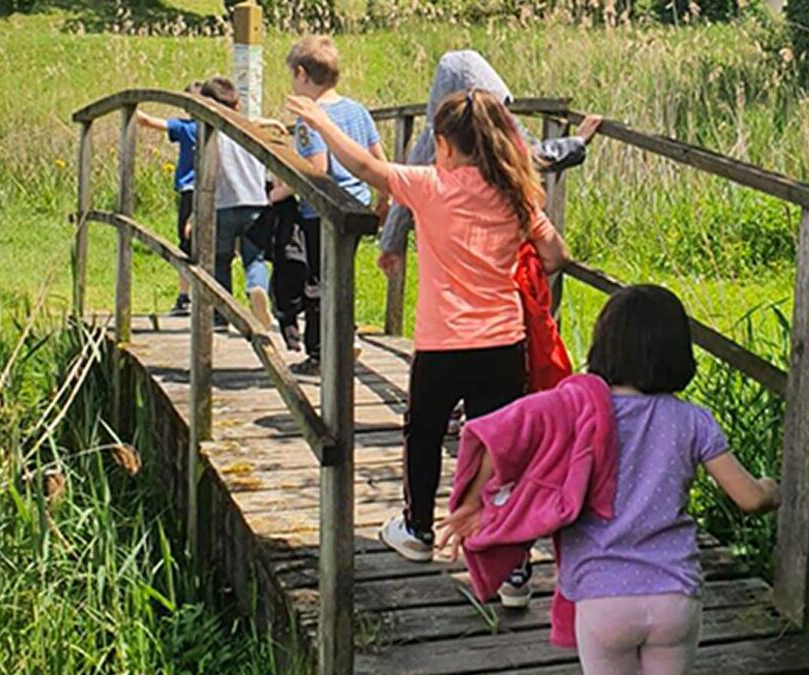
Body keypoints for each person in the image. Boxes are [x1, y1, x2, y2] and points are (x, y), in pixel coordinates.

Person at [285, 87, 568, 561]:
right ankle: (513, 562)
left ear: (444, 144)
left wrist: (322, 123)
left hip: (442, 344)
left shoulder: (430, 186)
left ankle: (417, 529)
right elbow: (557, 255)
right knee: (497, 446)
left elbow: (363, 168)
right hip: (503, 340)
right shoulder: (516, 195)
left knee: (424, 435)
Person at [440, 285, 781, 675]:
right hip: (675, 594)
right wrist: (774, 490)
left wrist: (472, 502)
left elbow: (498, 433)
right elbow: (750, 499)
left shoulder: (576, 409)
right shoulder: (692, 421)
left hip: (603, 597)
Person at [376, 49, 602, 277]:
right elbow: (534, 157)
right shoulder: (470, 134)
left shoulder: (439, 137)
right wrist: (576, 142)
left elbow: (403, 192)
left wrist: (391, 244)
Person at [269, 35, 387, 370]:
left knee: (318, 283)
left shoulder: (310, 118)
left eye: (293, 75)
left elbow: (316, 169)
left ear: (303, 74)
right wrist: (384, 197)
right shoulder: (356, 110)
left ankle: (322, 354)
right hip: (358, 204)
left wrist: (277, 194)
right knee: (341, 277)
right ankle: (346, 335)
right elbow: (377, 156)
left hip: (322, 211)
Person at [198, 76, 270, 329]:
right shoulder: (251, 131)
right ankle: (257, 288)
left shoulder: (210, 134)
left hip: (223, 205)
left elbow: (207, 174)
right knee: (255, 258)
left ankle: (222, 314)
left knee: (220, 259)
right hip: (256, 203)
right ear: (237, 106)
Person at [135, 81, 202, 317]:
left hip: (190, 191)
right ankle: (212, 298)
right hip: (216, 192)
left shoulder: (186, 128)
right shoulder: (219, 128)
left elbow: (149, 122)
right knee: (213, 245)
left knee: (186, 245)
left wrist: (134, 109)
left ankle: (185, 298)